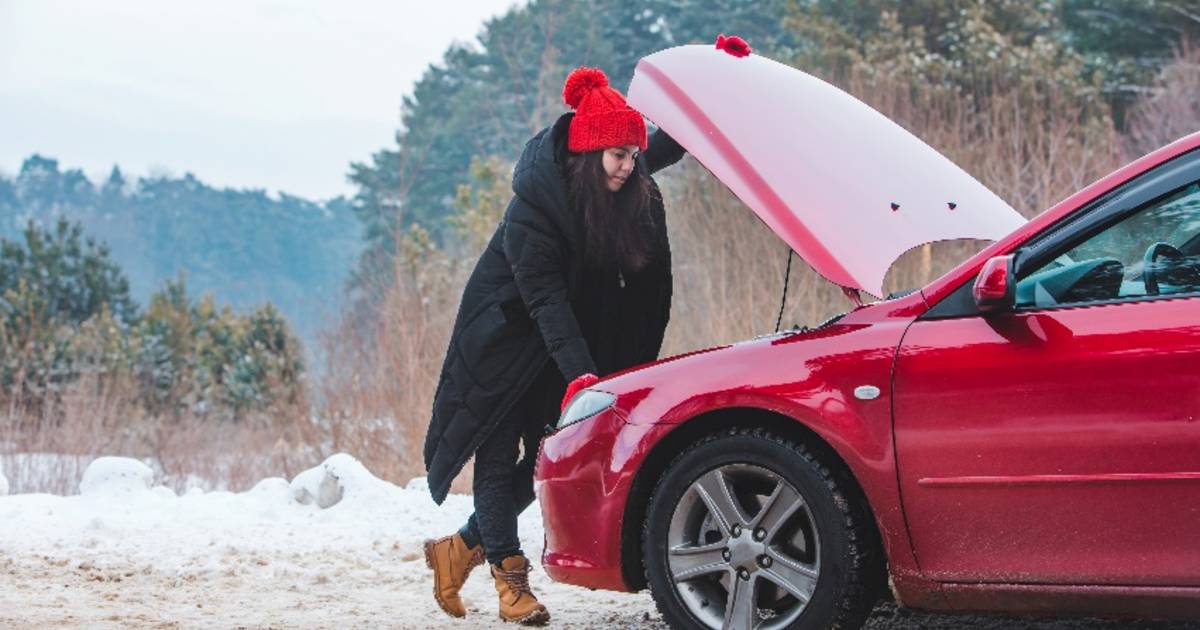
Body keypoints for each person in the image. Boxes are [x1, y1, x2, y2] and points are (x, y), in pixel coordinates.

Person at [421, 66, 685, 625]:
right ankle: (510, 584)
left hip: (553, 344)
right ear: (590, 155)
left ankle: (458, 549)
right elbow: (545, 303)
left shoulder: (613, 181)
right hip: (503, 341)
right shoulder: (533, 210)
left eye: (632, 156)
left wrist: (713, 101)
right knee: (496, 459)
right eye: (618, 156)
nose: (629, 166)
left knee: (547, 454)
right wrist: (583, 376)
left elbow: (656, 151)